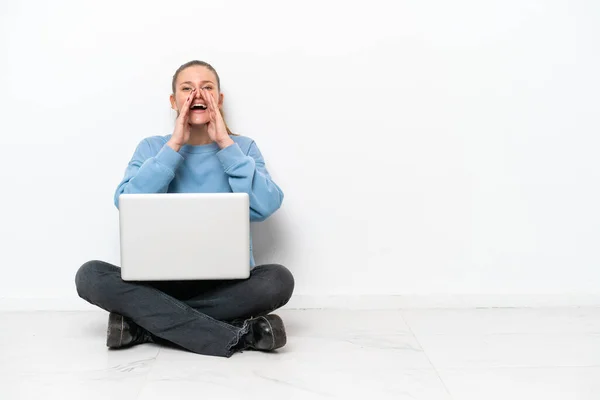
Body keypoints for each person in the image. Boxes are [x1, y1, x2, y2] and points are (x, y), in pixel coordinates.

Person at [75, 60, 294, 358]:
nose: (197, 95)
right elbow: (127, 203)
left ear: (218, 99)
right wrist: (175, 145)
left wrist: (225, 145)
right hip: (159, 284)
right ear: (174, 101)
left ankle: (143, 326)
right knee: (90, 275)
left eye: (207, 87)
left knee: (278, 281)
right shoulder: (153, 148)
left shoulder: (243, 147)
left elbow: (266, 205)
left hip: (226, 286)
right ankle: (239, 335)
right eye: (187, 88)